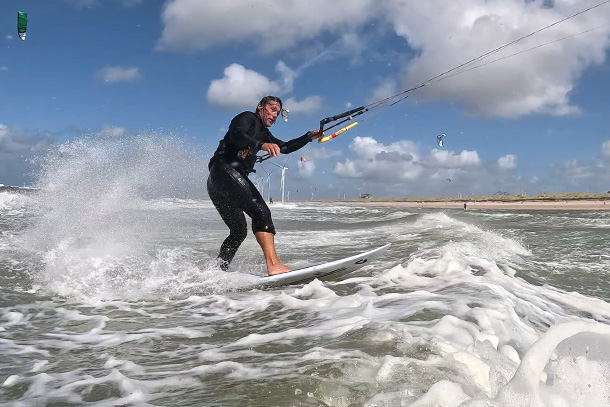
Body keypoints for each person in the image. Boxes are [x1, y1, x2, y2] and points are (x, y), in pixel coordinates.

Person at [207, 96, 322, 275]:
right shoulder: (248, 118)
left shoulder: (264, 133)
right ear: (260, 106)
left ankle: (217, 271)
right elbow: (236, 135)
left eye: (278, 112)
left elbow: (284, 147)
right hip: (224, 171)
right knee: (261, 212)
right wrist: (261, 144)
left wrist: (308, 137)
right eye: (272, 109)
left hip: (219, 182)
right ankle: (274, 265)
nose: (275, 115)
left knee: (238, 231)